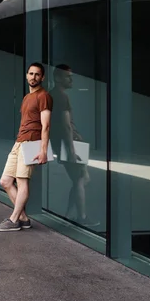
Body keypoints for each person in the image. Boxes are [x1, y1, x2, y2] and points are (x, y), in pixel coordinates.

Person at [0, 62, 53, 232]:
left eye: (37, 74)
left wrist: (43, 150)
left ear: (43, 77)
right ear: (27, 75)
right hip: (19, 142)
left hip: (32, 142)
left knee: (22, 181)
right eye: (31, 74)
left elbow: (46, 125)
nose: (33, 77)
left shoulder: (44, 96)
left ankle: (13, 219)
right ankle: (23, 219)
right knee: (5, 181)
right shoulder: (27, 98)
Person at [49, 64, 98, 227]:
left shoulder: (52, 95)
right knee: (80, 178)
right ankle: (81, 217)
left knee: (81, 178)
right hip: (69, 144)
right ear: (57, 78)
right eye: (67, 76)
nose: (71, 79)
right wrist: (71, 150)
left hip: (63, 143)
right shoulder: (62, 97)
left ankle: (69, 215)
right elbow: (66, 126)